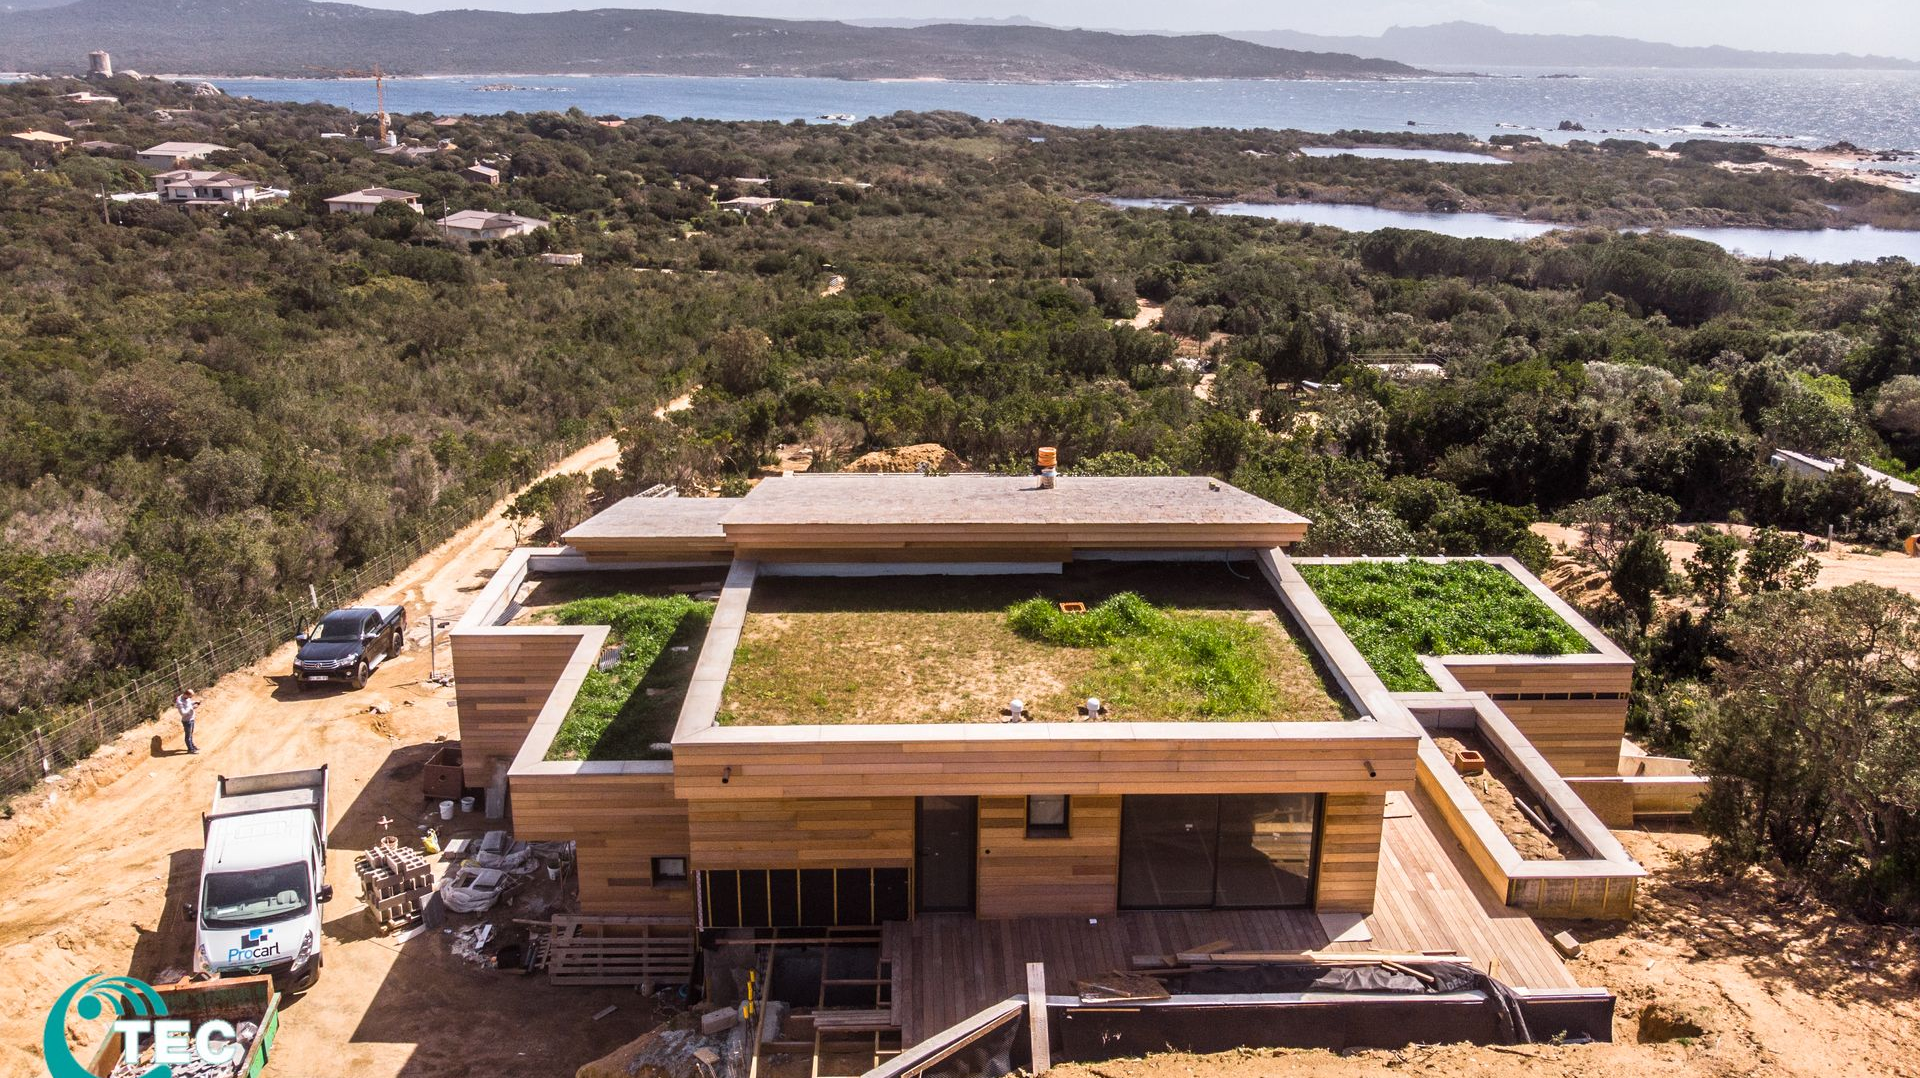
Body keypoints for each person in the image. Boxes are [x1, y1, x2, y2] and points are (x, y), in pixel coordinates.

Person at [174, 688, 200, 755]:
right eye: (190, 696)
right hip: (187, 721)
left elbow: (189, 703)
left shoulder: (186, 698)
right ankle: (190, 749)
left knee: (190, 734)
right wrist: (192, 709)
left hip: (191, 718)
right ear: (186, 694)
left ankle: (192, 746)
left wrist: (194, 702)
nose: (190, 698)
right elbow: (183, 713)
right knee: (188, 736)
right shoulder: (180, 702)